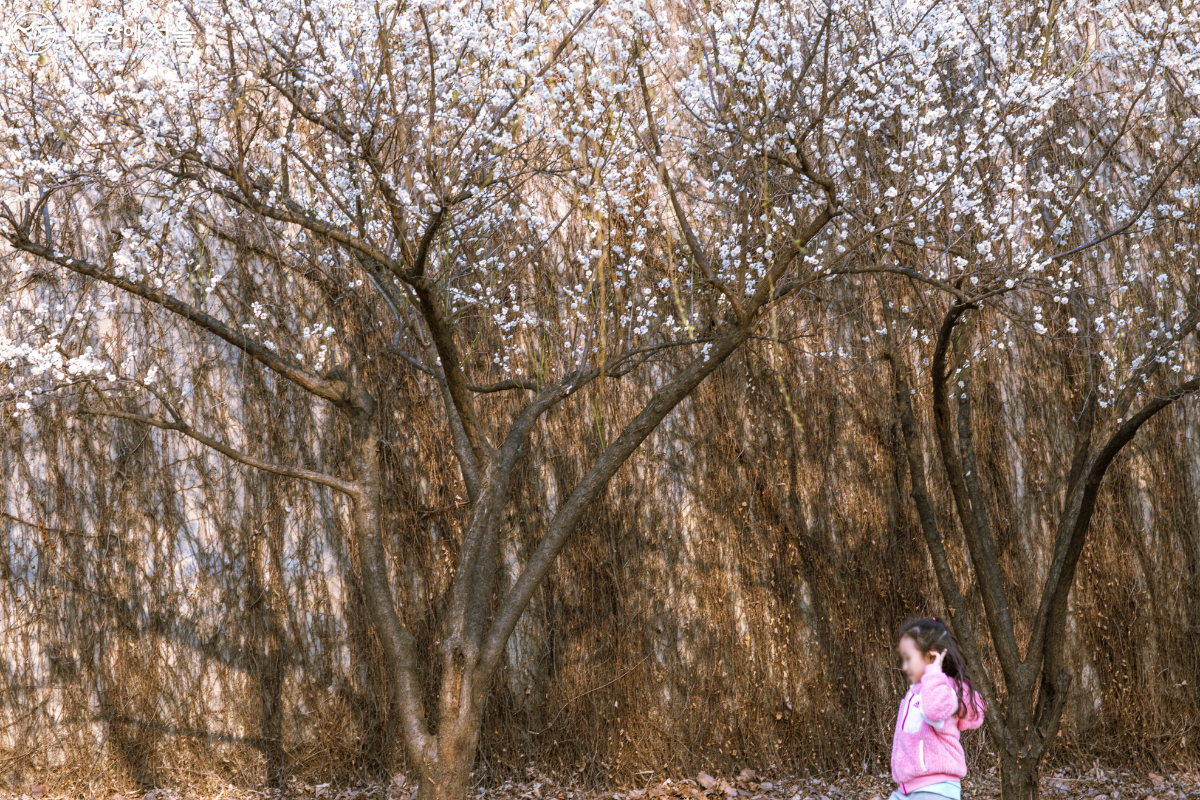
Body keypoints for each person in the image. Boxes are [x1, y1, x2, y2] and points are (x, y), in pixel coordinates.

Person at [888, 616, 988, 800]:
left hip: (936, 789)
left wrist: (934, 671)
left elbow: (933, 712)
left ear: (931, 656)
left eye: (909, 658)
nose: (904, 666)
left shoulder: (945, 690)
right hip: (909, 790)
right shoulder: (917, 692)